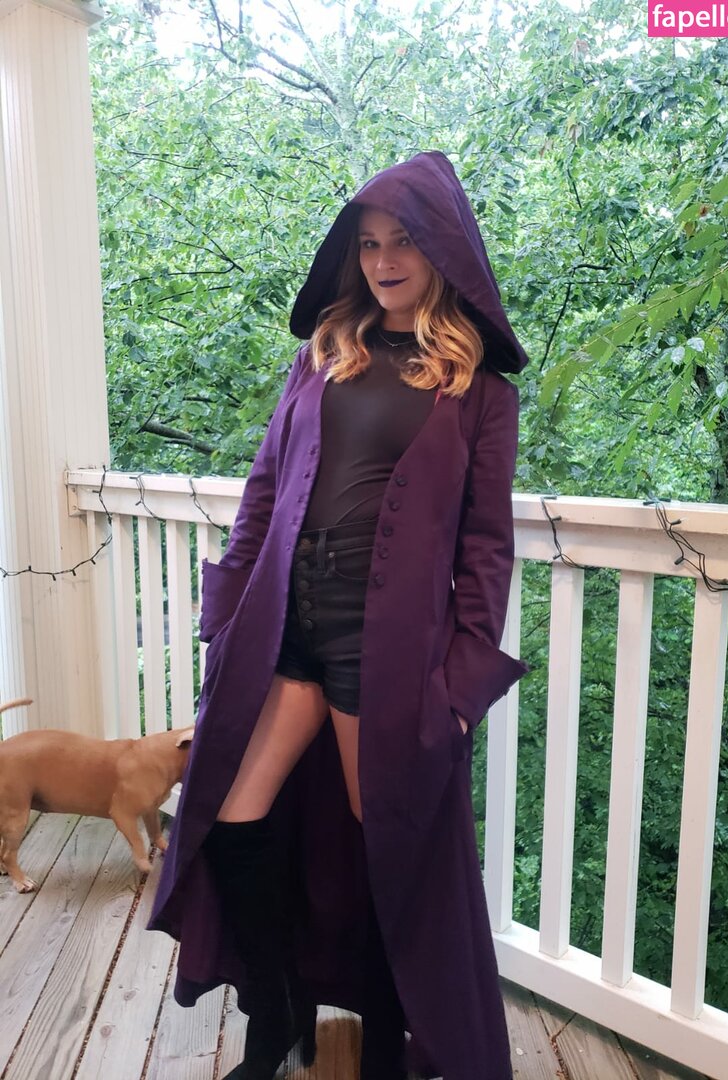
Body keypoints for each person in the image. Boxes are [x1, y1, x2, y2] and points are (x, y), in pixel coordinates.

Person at [147, 150, 531, 1080]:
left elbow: (486, 547)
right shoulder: (321, 356)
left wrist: (461, 688)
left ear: (441, 252)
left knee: (387, 851)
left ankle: (388, 1047)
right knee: (232, 815)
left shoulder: (480, 391)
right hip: (285, 632)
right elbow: (263, 492)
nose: (384, 260)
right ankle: (275, 1013)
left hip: (385, 654)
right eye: (368, 244)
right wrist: (223, 615)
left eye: (404, 242)